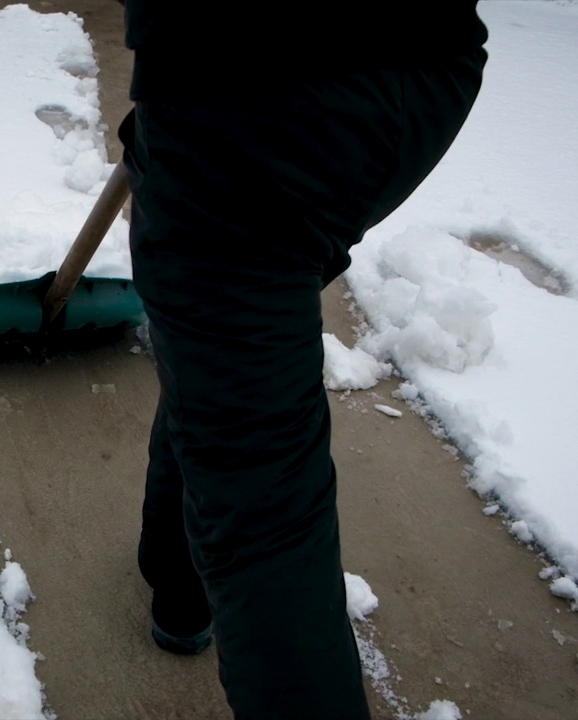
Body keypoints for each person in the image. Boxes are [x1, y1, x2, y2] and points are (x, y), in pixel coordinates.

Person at [118, 3, 489, 718]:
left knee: (264, 509)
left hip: (245, 95)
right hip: (427, 72)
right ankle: (178, 580)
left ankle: (187, 583)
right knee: (227, 349)